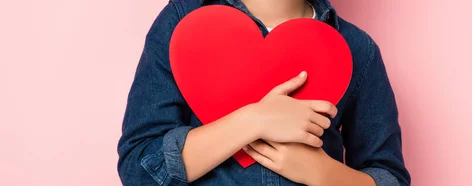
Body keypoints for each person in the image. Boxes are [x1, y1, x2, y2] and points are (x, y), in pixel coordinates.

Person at [117, 0, 411, 185]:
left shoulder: (358, 49)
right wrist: (253, 121)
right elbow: (138, 169)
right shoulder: (181, 21)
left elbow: (389, 176)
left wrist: (324, 174)